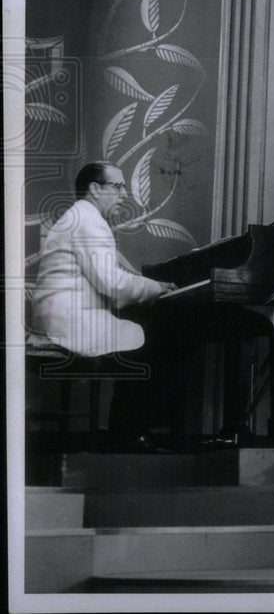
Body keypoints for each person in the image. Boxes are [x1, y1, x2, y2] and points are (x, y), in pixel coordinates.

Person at [30, 162, 176, 450]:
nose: (124, 194)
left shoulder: (79, 217)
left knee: (144, 337)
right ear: (95, 188)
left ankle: (128, 431)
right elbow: (111, 283)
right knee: (158, 341)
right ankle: (129, 435)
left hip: (60, 315)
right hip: (72, 319)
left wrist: (143, 286)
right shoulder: (89, 220)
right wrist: (157, 287)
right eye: (117, 186)